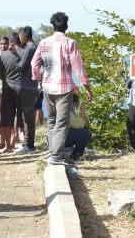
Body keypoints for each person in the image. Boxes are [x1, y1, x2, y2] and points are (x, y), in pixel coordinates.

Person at [32, 12, 93, 165]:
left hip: (47, 86)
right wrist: (87, 88)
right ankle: (57, 157)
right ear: (66, 26)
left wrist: (39, 78)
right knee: (62, 123)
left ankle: (52, 152)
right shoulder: (69, 43)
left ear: (53, 25)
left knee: (51, 121)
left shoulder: (43, 42)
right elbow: (79, 68)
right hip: (64, 87)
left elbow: (34, 64)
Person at [15, 26, 39, 154]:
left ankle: (30, 145)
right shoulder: (35, 48)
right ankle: (28, 143)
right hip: (31, 86)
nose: (19, 38)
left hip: (27, 86)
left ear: (24, 36)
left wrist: (15, 55)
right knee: (28, 116)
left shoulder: (30, 49)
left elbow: (20, 66)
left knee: (28, 117)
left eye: (20, 36)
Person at [0, 33, 22, 153]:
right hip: (22, 88)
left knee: (7, 118)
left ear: (10, 42)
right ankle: (22, 141)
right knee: (22, 117)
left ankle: (9, 145)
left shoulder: (3, 55)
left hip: (8, 88)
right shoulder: (25, 53)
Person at [65, 93, 92, 161]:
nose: (77, 105)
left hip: (56, 138)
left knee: (82, 131)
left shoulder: (64, 107)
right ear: (74, 102)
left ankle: (75, 153)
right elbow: (78, 125)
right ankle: (76, 155)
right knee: (86, 133)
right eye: (77, 103)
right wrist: (83, 112)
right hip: (62, 139)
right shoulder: (67, 110)